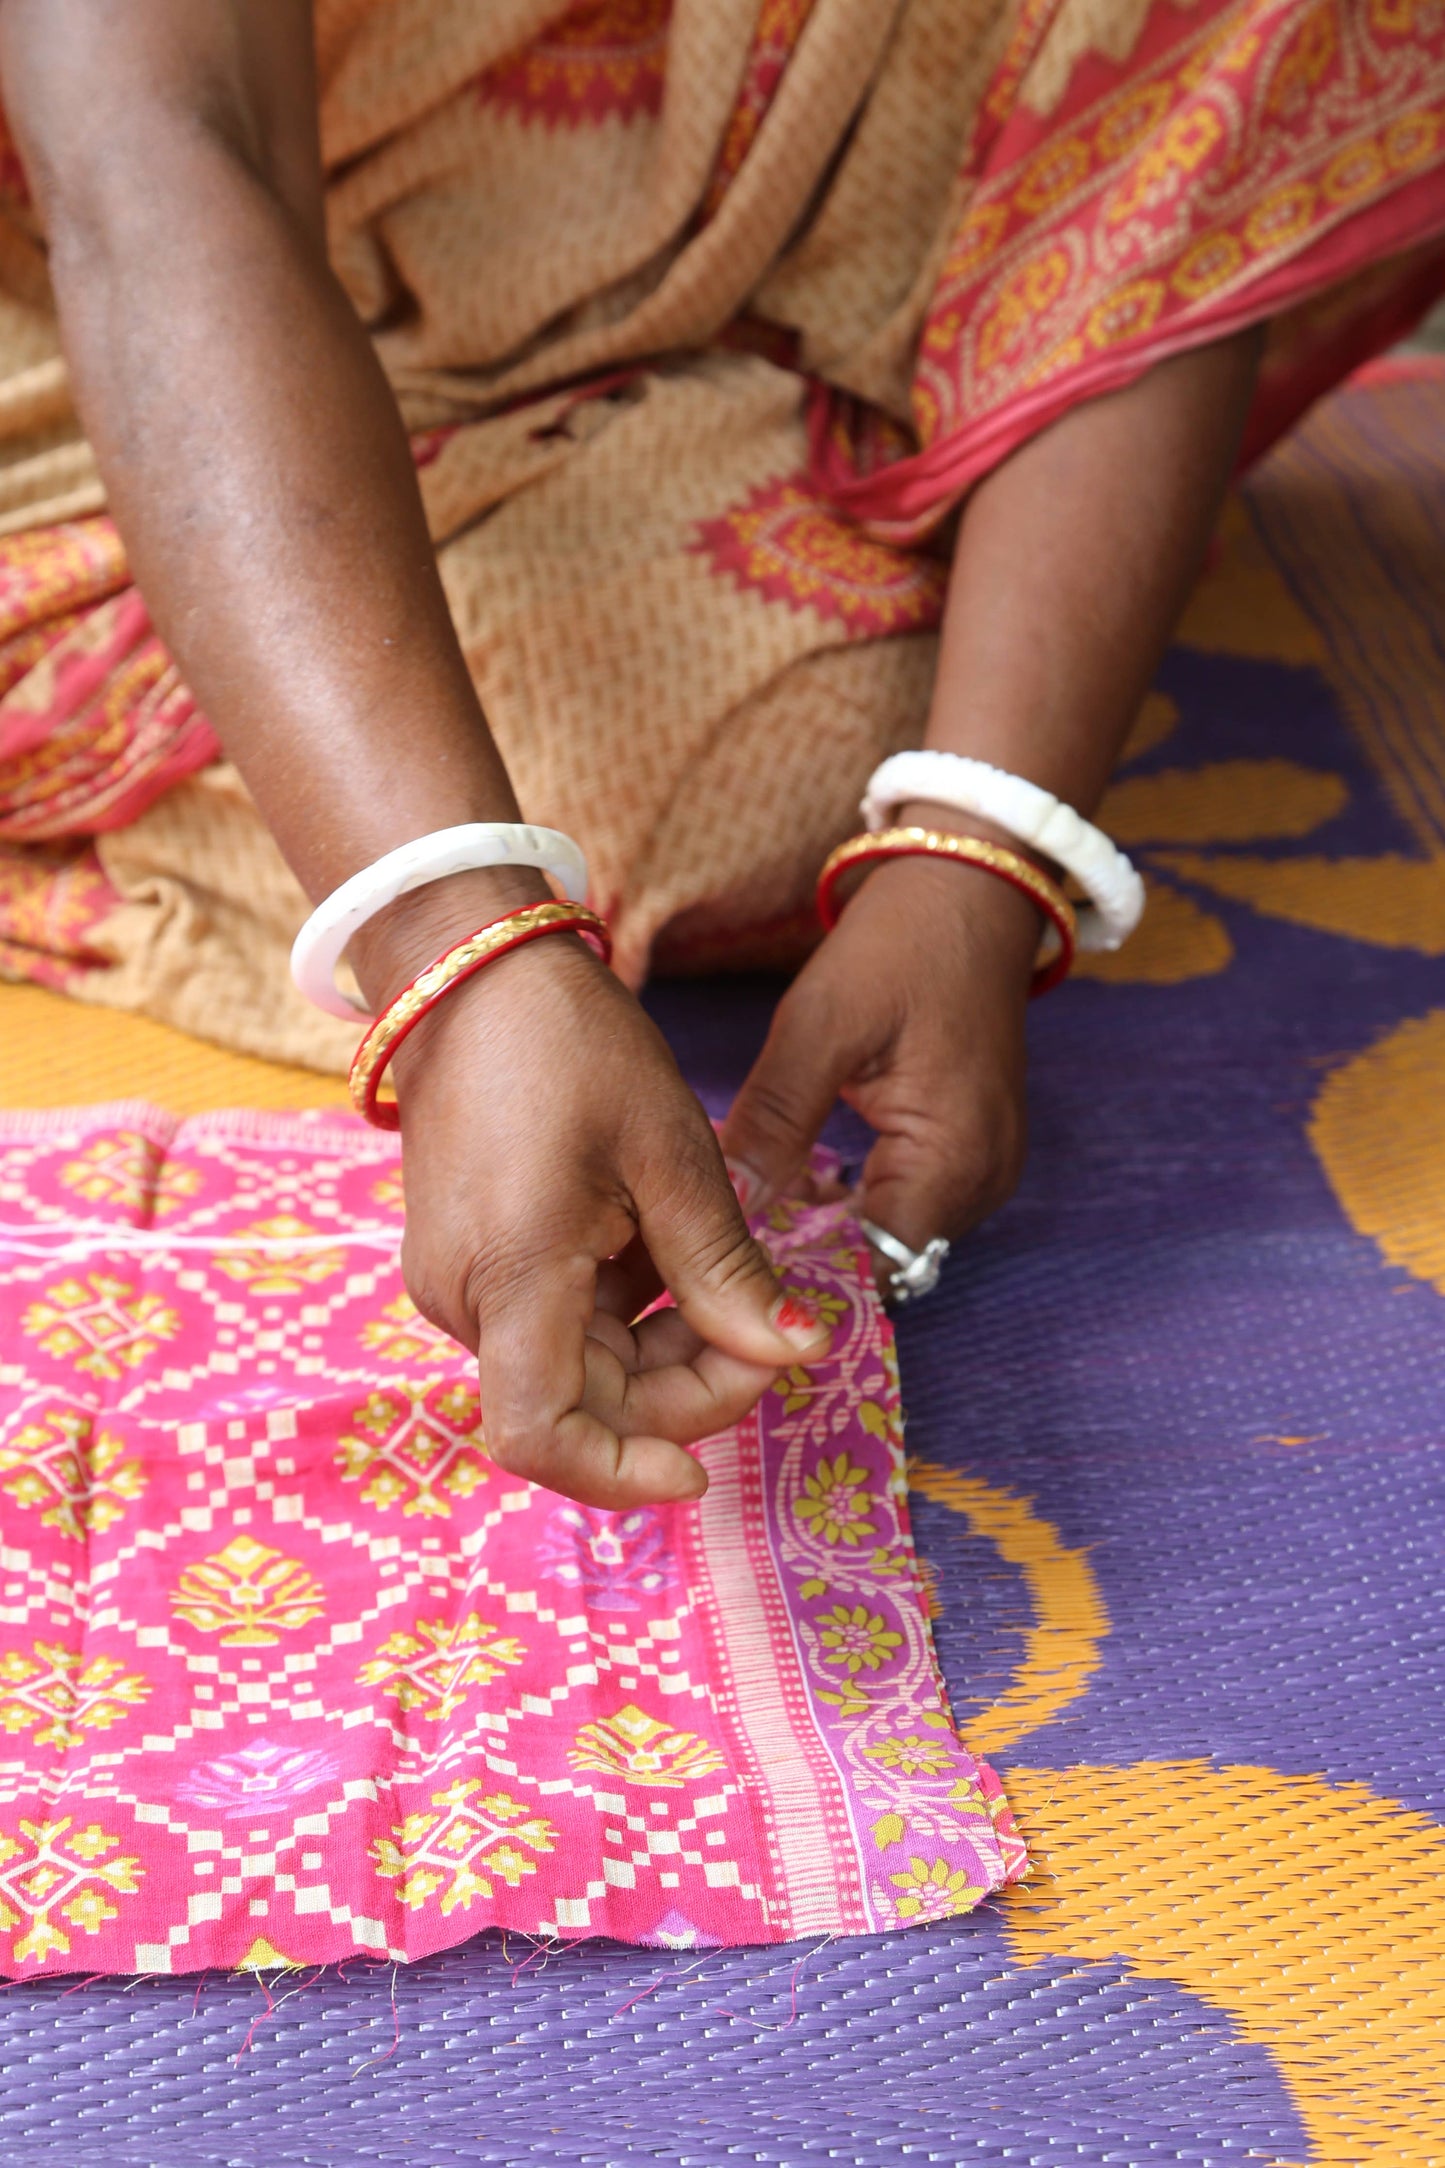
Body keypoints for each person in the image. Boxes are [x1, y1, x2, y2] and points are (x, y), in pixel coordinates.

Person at [0, 0, 1440, 1512]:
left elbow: (1195, 91)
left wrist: (982, 840)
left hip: (800, 259)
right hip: (184, 312)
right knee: (651, 756)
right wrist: (457, 951)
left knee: (843, 724)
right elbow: (158, 150)